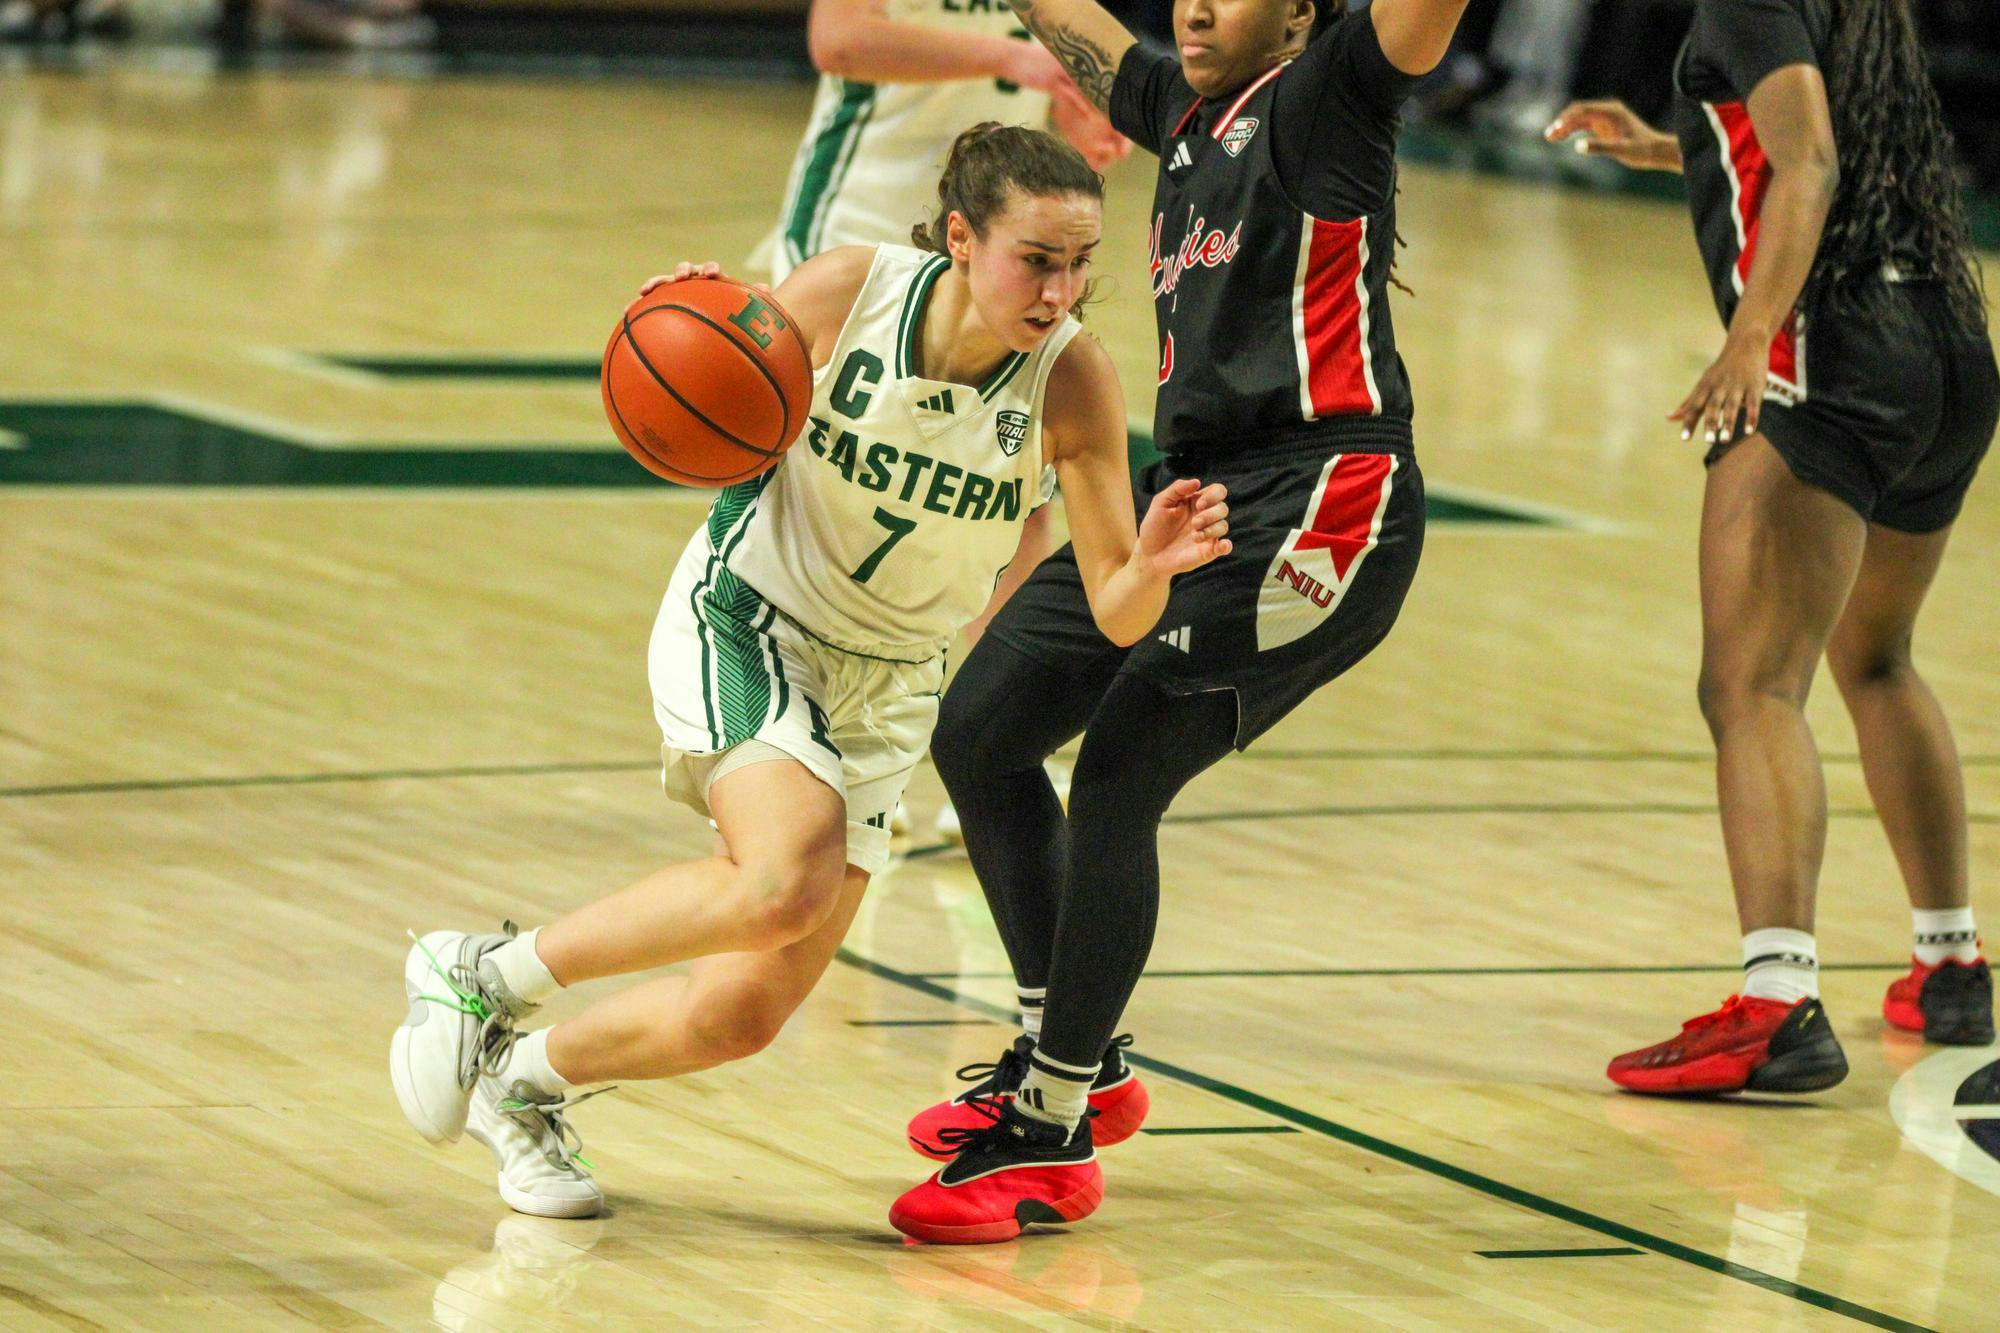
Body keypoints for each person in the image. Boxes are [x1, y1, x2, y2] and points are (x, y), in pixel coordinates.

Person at [389, 124, 1231, 1219]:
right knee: (783, 874)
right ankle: (480, 972)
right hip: (752, 618)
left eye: (1079, 264)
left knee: (740, 1013)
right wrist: (679, 312)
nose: (1059, 288)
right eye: (1036, 259)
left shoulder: (1071, 380)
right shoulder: (852, 292)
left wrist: (1156, 563)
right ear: (963, 238)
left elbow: (1113, 606)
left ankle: (526, 1084)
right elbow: (711, 345)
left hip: (888, 687)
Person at [889, 0, 1473, 1245]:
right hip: (1196, 492)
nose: (1198, 4)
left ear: (1302, 16)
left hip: (1323, 499)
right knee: (979, 732)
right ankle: (1080, 1059)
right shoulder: (1182, 110)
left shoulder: (1329, 99)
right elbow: (1074, 25)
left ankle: (1049, 1123)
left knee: (1116, 775)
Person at [1546, 0, 1996, 1095]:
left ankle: (1775, 996)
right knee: (1873, 657)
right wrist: (1671, 148)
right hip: (1942, 349)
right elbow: (1802, 147)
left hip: (1826, 359)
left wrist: (1748, 340)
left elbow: (1806, 163)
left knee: (1749, 685)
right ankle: (1951, 967)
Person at [771, 0, 1135, 839]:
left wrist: (1080, 113)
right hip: (861, 222)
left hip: (1012, 245)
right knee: (845, 483)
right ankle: (804, 733)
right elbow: (841, 39)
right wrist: (1014, 62)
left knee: (1019, 496)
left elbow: (1079, 63)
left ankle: (1006, 735)